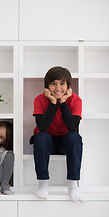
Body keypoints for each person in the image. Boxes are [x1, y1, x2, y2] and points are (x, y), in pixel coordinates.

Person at [30, 66, 83, 201]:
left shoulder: (76, 100)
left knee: (74, 137)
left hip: (66, 141)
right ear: (47, 86)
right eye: (53, 83)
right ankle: (43, 184)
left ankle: (72, 184)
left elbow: (72, 126)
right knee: (41, 136)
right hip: (47, 142)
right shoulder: (40, 99)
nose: (58, 88)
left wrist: (63, 102)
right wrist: (53, 103)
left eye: (62, 83)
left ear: (68, 86)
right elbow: (42, 127)